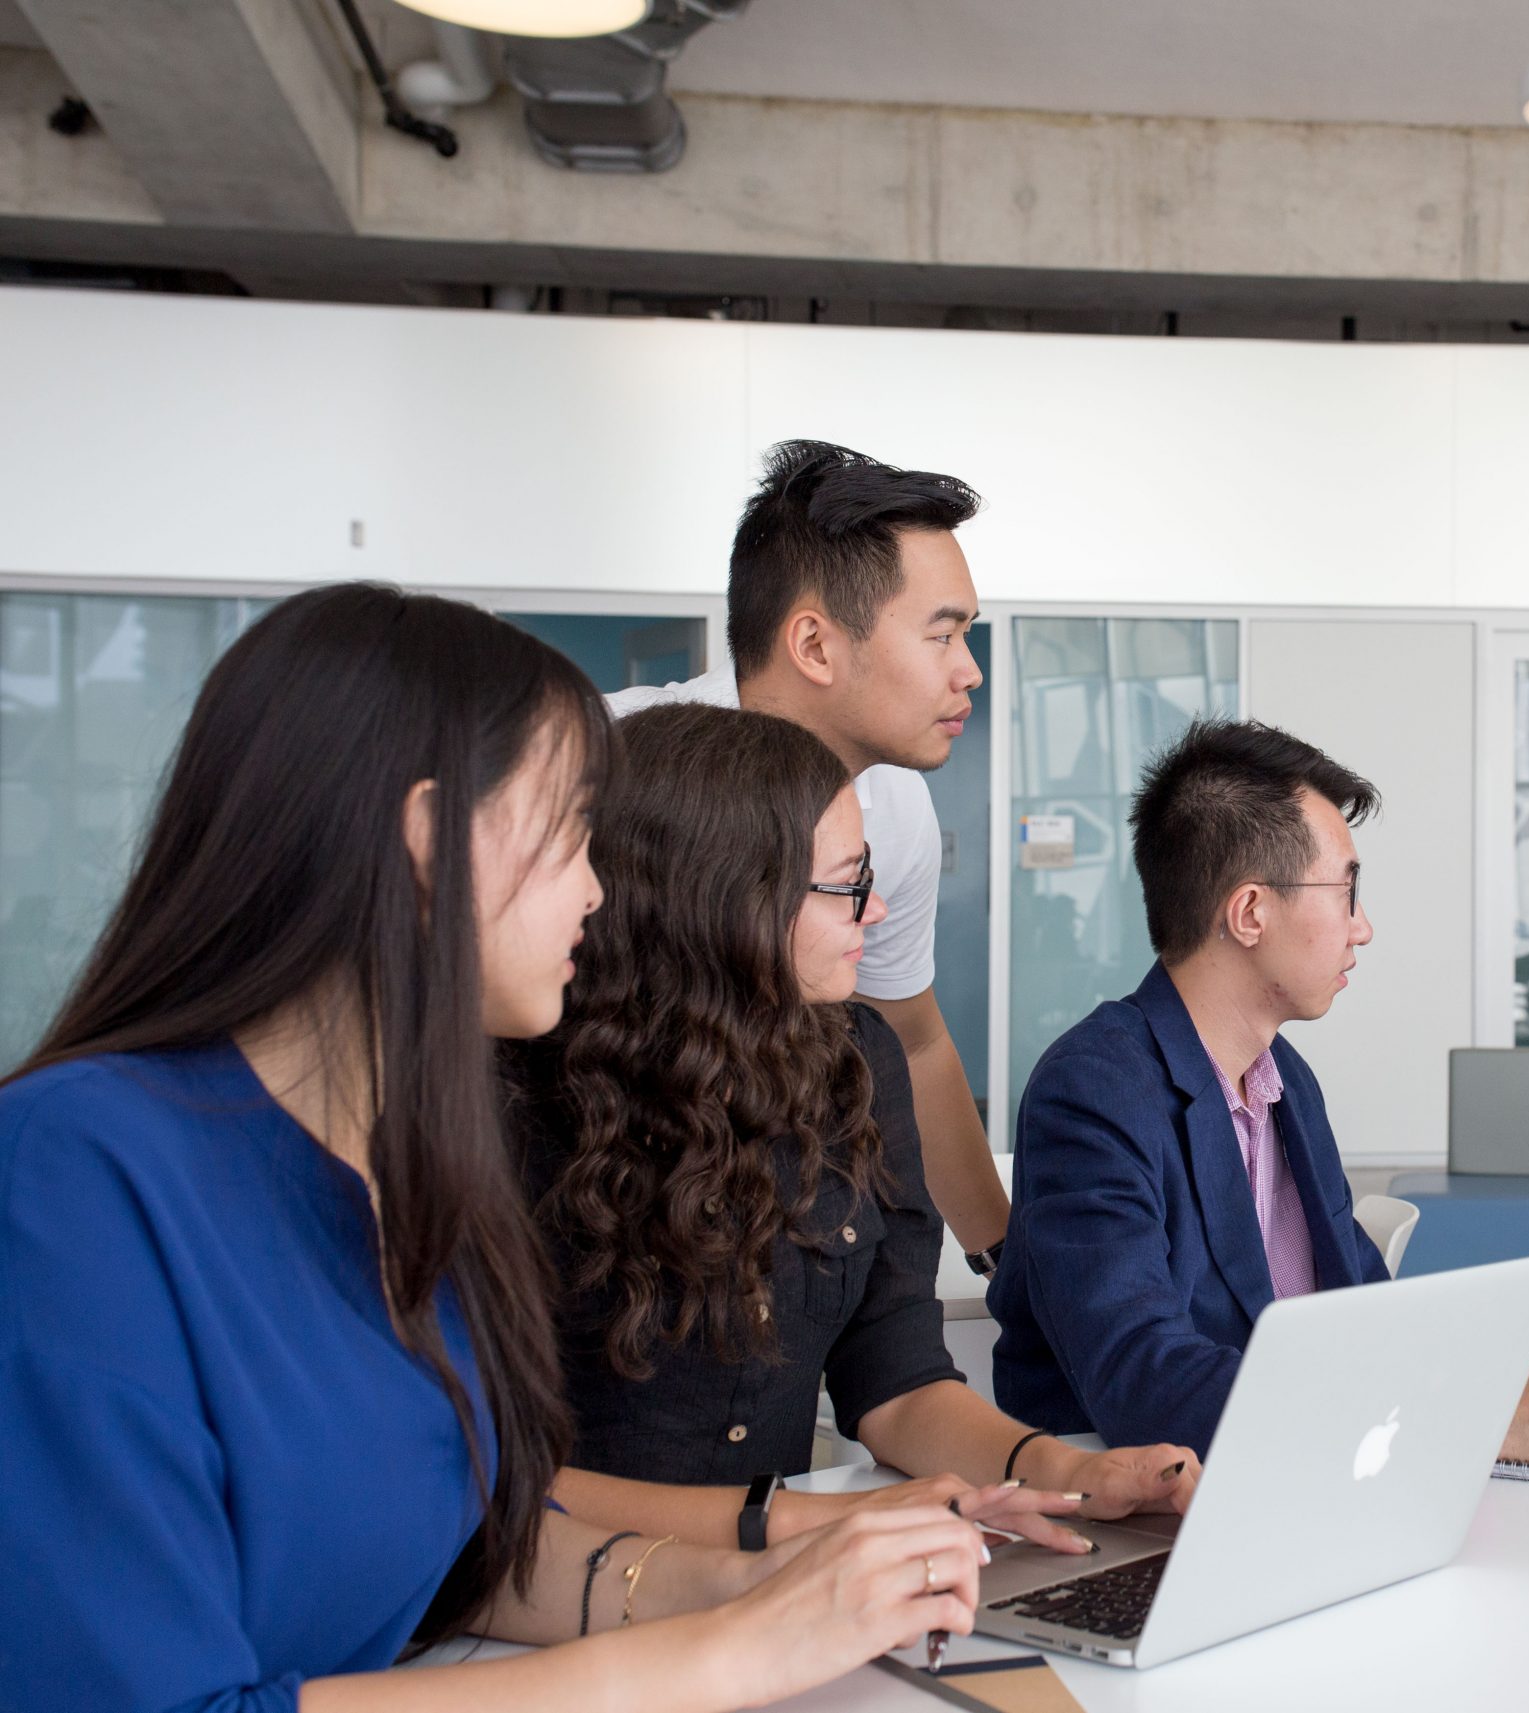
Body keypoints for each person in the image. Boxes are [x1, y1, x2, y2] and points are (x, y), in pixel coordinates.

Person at [0, 585, 985, 1712]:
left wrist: (762, 1584)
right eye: (572, 833)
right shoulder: (75, 1172)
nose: (600, 889)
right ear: (431, 844)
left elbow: (474, 1556)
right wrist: (721, 1655)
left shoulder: (404, 1164)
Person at [512, 703, 1197, 1553]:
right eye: (846, 883)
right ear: (725, 898)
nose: (875, 912)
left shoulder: (859, 1068)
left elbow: (897, 1380)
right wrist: (817, 1519)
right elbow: (488, 1483)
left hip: (787, 1580)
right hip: (553, 1600)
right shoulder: (517, 1094)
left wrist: (1063, 1473)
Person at [990, 719, 1529, 1462]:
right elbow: (1143, 1383)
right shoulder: (1093, 1091)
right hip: (1151, 1520)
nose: (1363, 927)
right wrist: (1488, 1419)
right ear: (1250, 912)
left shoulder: (1287, 1084)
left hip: (1313, 1486)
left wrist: (1520, 1382)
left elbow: (1367, 1318)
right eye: (1346, 891)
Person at [610, 441, 1009, 1268]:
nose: (970, 670)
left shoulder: (894, 813)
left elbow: (916, 1043)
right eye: (943, 635)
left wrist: (1009, 1256)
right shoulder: (599, 768)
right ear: (817, 646)